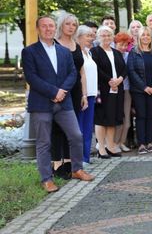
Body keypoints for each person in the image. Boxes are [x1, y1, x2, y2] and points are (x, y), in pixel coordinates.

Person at [22, 16, 94, 193]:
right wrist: (53, 92)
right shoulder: (29, 51)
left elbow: (72, 73)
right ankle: (47, 179)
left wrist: (62, 91)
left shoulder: (63, 51)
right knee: (44, 142)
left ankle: (77, 169)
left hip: (64, 102)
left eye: (51, 26)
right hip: (41, 103)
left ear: (55, 28)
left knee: (76, 135)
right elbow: (31, 77)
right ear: (38, 29)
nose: (48, 29)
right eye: (44, 26)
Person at [51, 12, 87, 179]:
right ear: (61, 25)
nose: (71, 27)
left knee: (72, 129)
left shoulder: (77, 45)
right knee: (58, 128)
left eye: (74, 24)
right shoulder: (54, 44)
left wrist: (84, 95)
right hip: (59, 91)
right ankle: (56, 163)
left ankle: (68, 161)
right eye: (68, 24)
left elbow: (82, 71)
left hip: (76, 91)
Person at [91, 25, 126, 158]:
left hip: (117, 89)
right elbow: (97, 69)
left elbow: (124, 69)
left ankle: (110, 146)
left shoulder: (116, 52)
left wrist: (120, 79)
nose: (106, 38)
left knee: (113, 118)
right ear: (98, 37)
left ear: (112, 37)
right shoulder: (95, 51)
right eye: (103, 35)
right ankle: (101, 148)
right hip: (103, 88)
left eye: (109, 35)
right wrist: (110, 80)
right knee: (101, 118)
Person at [128, 27, 152, 154]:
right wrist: (144, 87)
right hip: (139, 90)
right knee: (141, 116)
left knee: (150, 116)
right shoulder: (133, 52)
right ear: (139, 37)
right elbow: (131, 71)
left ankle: (149, 142)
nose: (145, 37)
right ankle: (141, 144)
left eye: (148, 35)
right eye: (143, 35)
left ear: (151, 37)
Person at [76, 25, 98, 163]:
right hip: (81, 95)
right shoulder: (76, 52)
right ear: (79, 37)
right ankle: (79, 159)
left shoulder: (88, 52)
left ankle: (86, 157)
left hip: (91, 94)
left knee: (88, 128)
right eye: (88, 36)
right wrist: (83, 94)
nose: (92, 38)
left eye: (92, 35)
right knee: (80, 128)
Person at [113, 33, 133, 153]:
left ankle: (121, 142)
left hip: (126, 89)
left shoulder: (128, 55)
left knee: (127, 120)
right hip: (113, 89)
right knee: (116, 118)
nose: (123, 47)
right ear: (116, 43)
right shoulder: (111, 54)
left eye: (126, 45)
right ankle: (113, 143)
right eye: (121, 44)